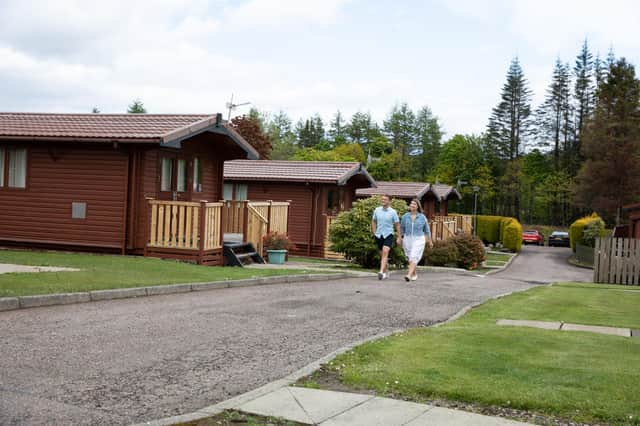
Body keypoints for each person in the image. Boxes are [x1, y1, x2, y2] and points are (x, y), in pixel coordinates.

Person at [399, 198, 433, 281]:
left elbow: (427, 230)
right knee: (410, 256)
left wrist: (430, 241)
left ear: (417, 206)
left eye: (414, 204)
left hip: (419, 239)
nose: (412, 205)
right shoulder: (405, 216)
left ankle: (409, 275)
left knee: (414, 255)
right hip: (407, 238)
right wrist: (399, 238)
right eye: (411, 203)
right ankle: (414, 273)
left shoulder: (422, 217)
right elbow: (401, 228)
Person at [371, 194, 400, 280]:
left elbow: (397, 224)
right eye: (382, 199)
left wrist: (399, 237)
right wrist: (374, 232)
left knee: (385, 251)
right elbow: (373, 221)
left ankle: (381, 272)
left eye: (385, 199)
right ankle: (386, 271)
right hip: (379, 235)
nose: (383, 201)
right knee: (383, 255)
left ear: (389, 201)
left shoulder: (393, 212)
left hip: (389, 234)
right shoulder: (377, 210)